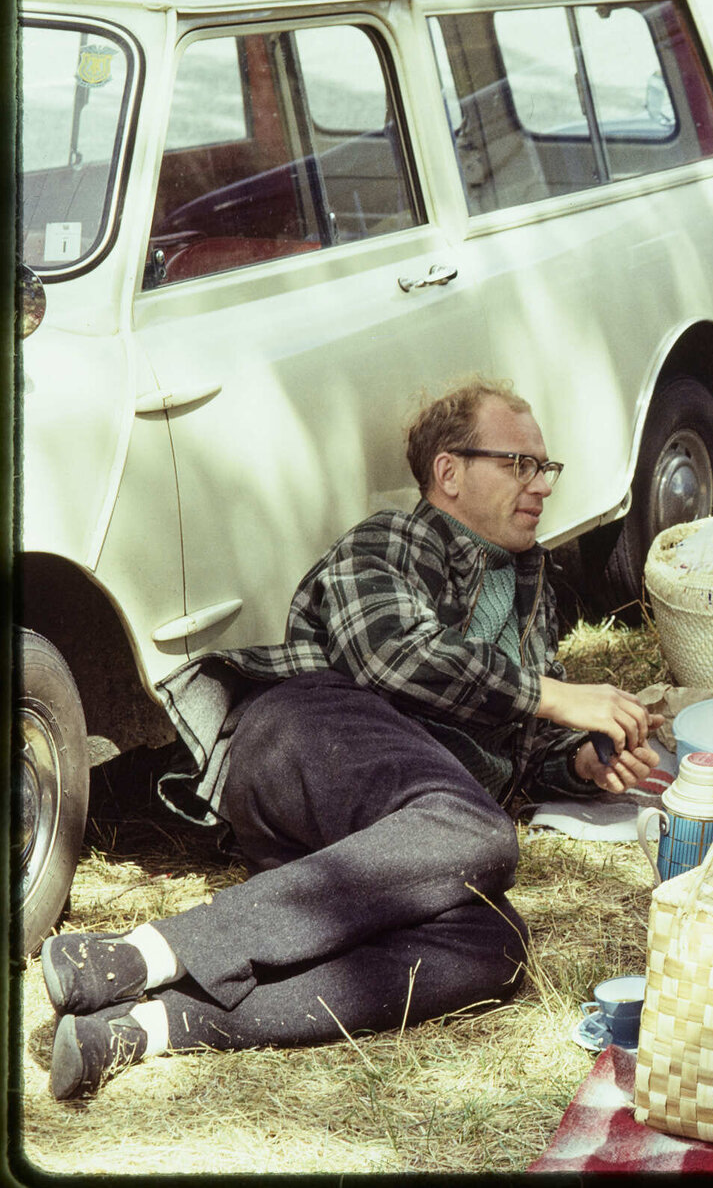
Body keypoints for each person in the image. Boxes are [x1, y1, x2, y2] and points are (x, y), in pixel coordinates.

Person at [41, 377, 661, 1100]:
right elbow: (391, 653)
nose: (541, 485)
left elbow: (519, 739)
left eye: (544, 467)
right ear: (449, 472)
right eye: (519, 463)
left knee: (494, 944)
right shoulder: (389, 541)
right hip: (301, 738)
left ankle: (147, 1025)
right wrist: (553, 694)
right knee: (481, 834)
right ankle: (149, 949)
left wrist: (579, 759)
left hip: (387, 841)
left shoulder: (531, 590)